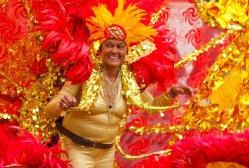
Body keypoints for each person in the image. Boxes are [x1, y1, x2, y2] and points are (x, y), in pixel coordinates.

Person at [44, 35, 192, 167]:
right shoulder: (84, 73)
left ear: (126, 53)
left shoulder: (130, 81)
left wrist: (170, 94)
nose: (114, 51)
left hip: (105, 154)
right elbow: (48, 112)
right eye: (109, 45)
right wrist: (61, 104)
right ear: (100, 50)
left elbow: (151, 106)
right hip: (75, 149)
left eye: (120, 47)